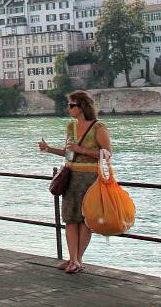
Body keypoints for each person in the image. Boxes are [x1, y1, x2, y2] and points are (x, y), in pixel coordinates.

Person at [38, 90, 111, 273]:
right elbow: (69, 153)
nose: (68, 108)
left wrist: (81, 150)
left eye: (72, 105)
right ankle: (72, 259)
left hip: (90, 178)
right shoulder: (71, 127)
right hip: (71, 175)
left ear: (82, 107)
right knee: (70, 218)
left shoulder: (98, 128)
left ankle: (78, 259)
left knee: (85, 219)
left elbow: (107, 153)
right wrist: (48, 149)